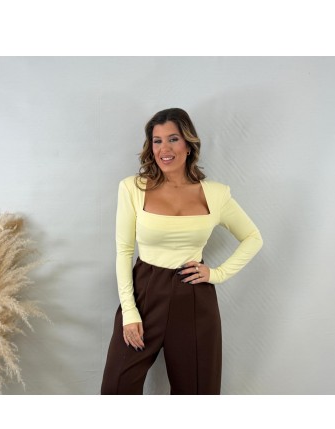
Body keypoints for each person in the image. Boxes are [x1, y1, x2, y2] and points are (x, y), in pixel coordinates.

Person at [100, 107, 263, 395]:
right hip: (145, 291)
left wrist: (217, 274)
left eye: (173, 139)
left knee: (197, 391)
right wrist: (130, 312)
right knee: (117, 388)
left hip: (194, 296)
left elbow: (252, 237)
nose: (164, 148)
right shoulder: (132, 188)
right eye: (157, 140)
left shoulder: (216, 193)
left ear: (188, 144)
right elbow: (124, 251)